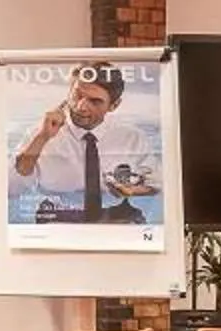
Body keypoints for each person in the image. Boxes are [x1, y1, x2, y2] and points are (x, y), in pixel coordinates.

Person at [12, 67, 159, 224]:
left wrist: (134, 190)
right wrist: (42, 138)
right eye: (77, 95)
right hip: (58, 217)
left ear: (114, 105)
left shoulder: (131, 137)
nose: (81, 106)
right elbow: (14, 185)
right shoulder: (40, 133)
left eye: (95, 101)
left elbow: (156, 183)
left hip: (117, 215)